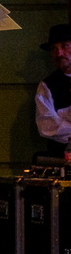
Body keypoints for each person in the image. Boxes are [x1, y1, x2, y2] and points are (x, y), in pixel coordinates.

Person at [34, 22, 71, 159]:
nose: (59, 53)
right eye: (54, 48)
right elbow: (48, 126)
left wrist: (62, 116)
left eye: (64, 46)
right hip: (61, 158)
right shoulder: (47, 85)